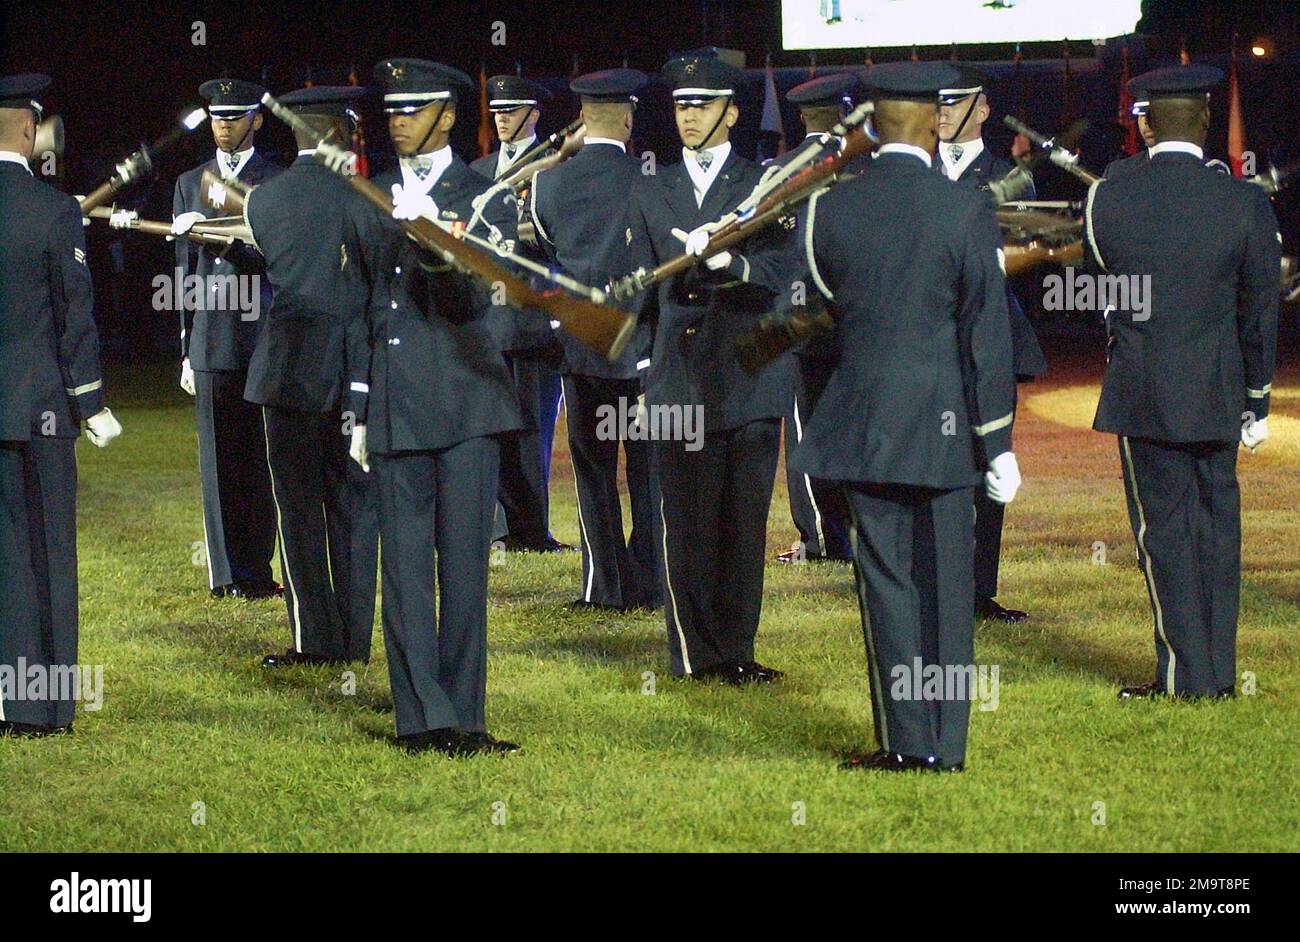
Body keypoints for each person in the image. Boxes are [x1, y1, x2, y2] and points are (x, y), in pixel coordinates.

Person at [795, 62, 1020, 771]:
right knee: (950, 591)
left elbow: (820, 309)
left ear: (870, 124)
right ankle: (947, 746)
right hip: (949, 427)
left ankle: (905, 741)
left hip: (867, 420)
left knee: (886, 582)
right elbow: (984, 332)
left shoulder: (828, 206)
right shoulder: (964, 208)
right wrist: (998, 442)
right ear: (932, 124)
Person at [347, 58, 524, 755]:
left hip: (468, 397)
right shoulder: (375, 194)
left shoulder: (487, 195)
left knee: (463, 571)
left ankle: (466, 717)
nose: (398, 123)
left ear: (447, 116)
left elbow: (487, 305)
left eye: (412, 111)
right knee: (406, 573)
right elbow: (363, 303)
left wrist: (438, 245)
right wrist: (358, 402)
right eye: (392, 112)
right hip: (396, 397)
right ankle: (421, 718)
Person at [1086, 65, 1279, 700]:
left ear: (1144, 125)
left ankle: (1182, 672)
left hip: (1143, 386)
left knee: (1163, 531)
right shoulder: (1245, 200)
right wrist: (1257, 397)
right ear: (1202, 122)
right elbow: (1259, 307)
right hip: (1220, 388)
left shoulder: (1109, 194)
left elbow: (1101, 292)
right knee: (1218, 528)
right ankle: (1217, 674)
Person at [626, 50, 794, 683]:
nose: (688, 116)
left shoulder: (762, 186)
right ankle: (695, 654)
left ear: (731, 112)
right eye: (680, 105)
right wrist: (645, 376)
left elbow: (787, 277)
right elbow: (641, 294)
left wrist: (734, 265)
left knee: (743, 525)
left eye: (701, 105)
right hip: (678, 378)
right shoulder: (650, 188)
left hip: (747, 372)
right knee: (687, 524)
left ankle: (736, 652)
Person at [237, 85, 379, 667]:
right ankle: (353, 636)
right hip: (354, 369)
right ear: (343, 131)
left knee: (298, 511)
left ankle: (312, 638)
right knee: (354, 505)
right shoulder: (370, 197)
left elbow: (282, 265)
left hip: (288, 369)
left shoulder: (264, 201)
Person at [0, 73, 122, 737]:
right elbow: (76, 317)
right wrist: (91, 402)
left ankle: (8, 702)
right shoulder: (54, 210)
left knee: (5, 560)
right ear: (28, 128)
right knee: (50, 558)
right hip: (42, 409)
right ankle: (47, 708)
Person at [528, 67, 662, 612]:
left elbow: (545, 246)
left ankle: (603, 585)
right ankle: (652, 579)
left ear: (582, 117)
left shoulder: (548, 182)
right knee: (649, 470)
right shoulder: (652, 180)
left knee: (592, 470)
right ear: (628, 120)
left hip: (584, 344)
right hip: (645, 346)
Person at [937, 65, 1047, 622]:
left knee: (990, 459)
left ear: (982, 109)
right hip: (928, 342)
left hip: (989, 339)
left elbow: (1032, 249)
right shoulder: (915, 173)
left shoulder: (1012, 177)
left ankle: (979, 590)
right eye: (939, 103)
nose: (945, 112)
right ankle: (934, 583)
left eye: (957, 103)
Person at [170, 77, 281, 600]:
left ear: (256, 119)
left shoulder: (276, 181)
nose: (224, 126)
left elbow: (275, 260)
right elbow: (183, 272)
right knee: (218, 462)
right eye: (217, 117)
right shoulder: (189, 182)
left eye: (235, 117)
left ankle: (257, 569)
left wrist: (221, 239)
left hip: (262, 334)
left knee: (261, 460)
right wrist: (187, 346)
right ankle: (227, 576)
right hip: (213, 335)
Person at [473, 74, 568, 553]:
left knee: (532, 433)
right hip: (486, 323)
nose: (503, 118)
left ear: (534, 114)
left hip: (534, 320)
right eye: (497, 111)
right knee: (490, 430)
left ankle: (531, 530)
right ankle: (498, 529)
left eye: (512, 110)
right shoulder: (479, 170)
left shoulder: (554, 167)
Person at [773, 72, 857, 565]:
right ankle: (870, 529)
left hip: (801, 323)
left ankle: (821, 539)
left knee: (807, 432)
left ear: (802, 116)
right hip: (862, 322)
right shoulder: (865, 166)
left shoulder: (779, 171)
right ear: (843, 112)